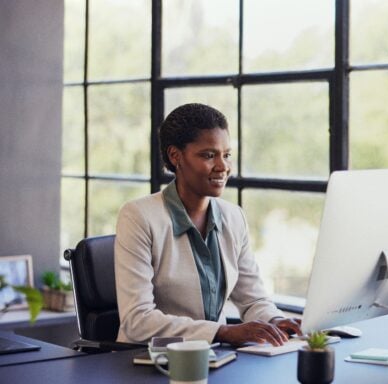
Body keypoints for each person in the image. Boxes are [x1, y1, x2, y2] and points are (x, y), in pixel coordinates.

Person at [114, 103, 301, 346]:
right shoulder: (139, 216)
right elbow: (137, 321)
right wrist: (221, 332)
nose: (223, 167)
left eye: (226, 155)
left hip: (212, 358)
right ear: (175, 155)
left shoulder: (234, 218)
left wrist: (275, 321)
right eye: (208, 155)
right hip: (147, 363)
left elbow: (253, 300)